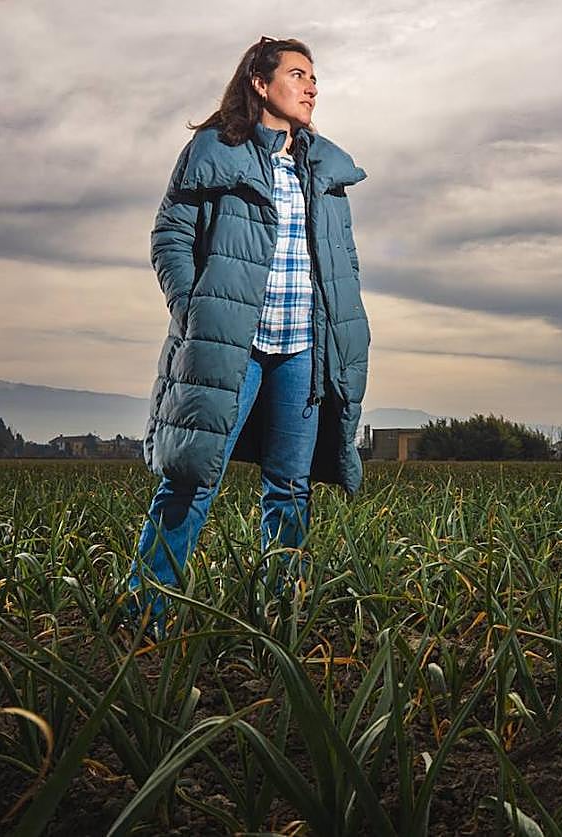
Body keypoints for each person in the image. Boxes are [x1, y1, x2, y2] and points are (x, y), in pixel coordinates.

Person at [127, 37, 370, 631]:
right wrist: (195, 311)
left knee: (290, 488)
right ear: (260, 84)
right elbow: (169, 237)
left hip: (302, 351)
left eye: (315, 77)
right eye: (298, 74)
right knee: (191, 478)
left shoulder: (324, 171)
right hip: (231, 345)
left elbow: (344, 262)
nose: (312, 86)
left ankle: (276, 617)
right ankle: (144, 614)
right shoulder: (214, 152)